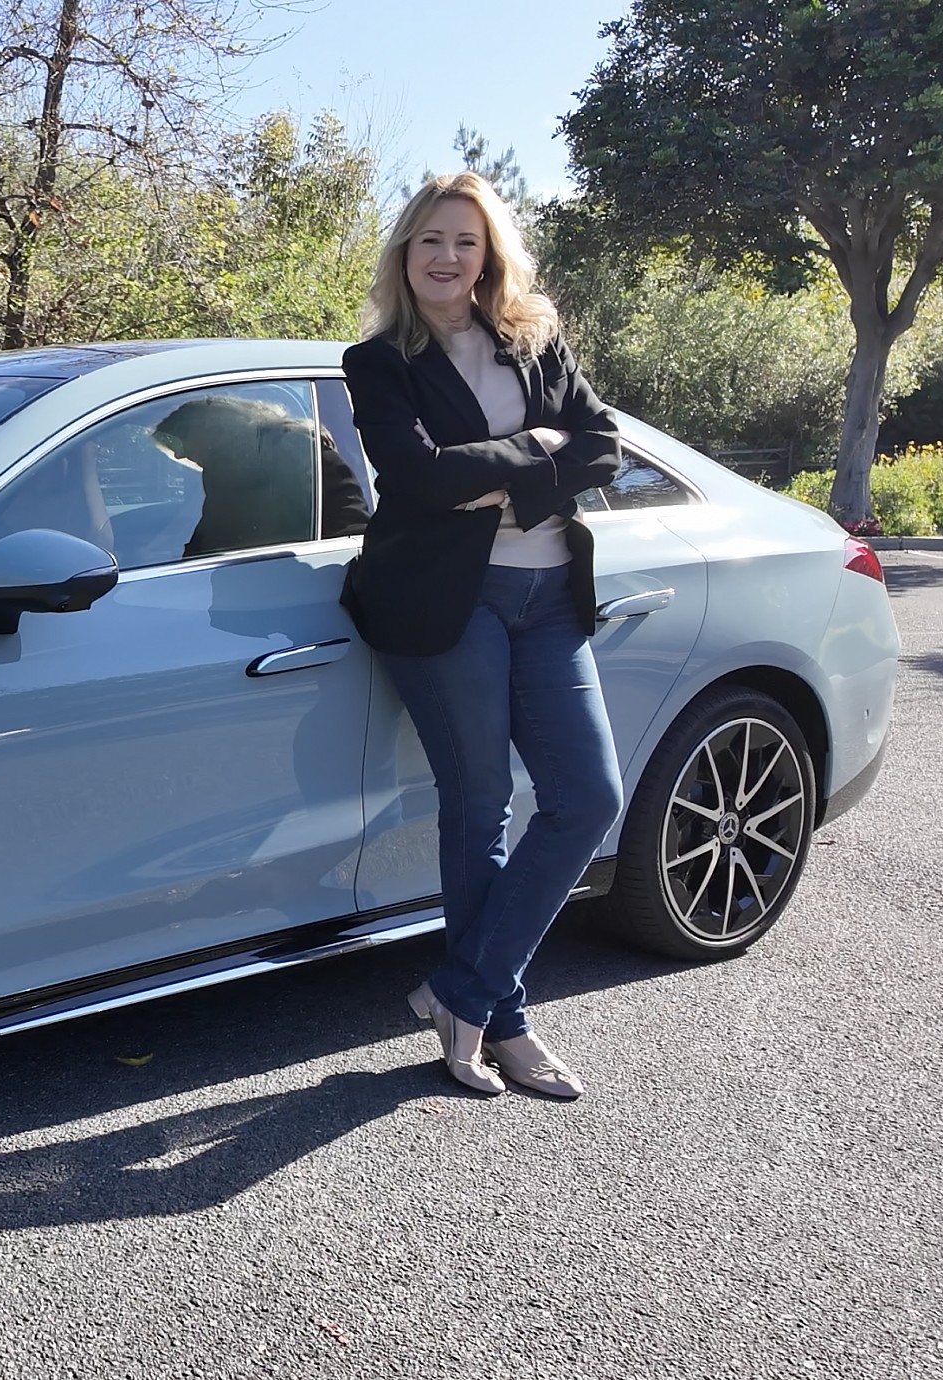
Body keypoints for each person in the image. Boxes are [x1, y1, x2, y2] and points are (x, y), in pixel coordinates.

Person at [340, 171, 625, 1100]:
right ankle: (505, 1022)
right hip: (446, 601)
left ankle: (463, 993)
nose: (447, 256)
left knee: (587, 798)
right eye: (430, 239)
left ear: (489, 254)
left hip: (550, 595)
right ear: (405, 252)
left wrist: (496, 479)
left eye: (465, 241)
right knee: (481, 803)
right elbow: (417, 478)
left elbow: (603, 447)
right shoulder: (378, 362)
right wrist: (536, 449)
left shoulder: (535, 341)